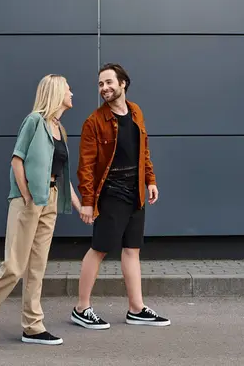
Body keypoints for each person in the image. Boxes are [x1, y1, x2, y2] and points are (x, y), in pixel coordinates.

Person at [0, 74, 82, 347]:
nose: (72, 92)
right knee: (13, 267)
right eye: (68, 88)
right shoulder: (34, 121)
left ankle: (33, 326)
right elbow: (16, 159)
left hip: (50, 200)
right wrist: (27, 196)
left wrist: (82, 206)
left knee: (37, 268)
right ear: (56, 92)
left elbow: (60, 174)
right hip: (30, 200)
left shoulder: (59, 129)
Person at [71, 63, 171, 329]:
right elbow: (86, 167)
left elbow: (143, 150)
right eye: (100, 84)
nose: (104, 88)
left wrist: (150, 180)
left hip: (135, 191)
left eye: (108, 82)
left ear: (123, 83)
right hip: (111, 193)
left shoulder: (136, 111)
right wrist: (88, 202)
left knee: (132, 249)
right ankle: (81, 308)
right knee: (100, 249)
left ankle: (136, 308)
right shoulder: (94, 122)